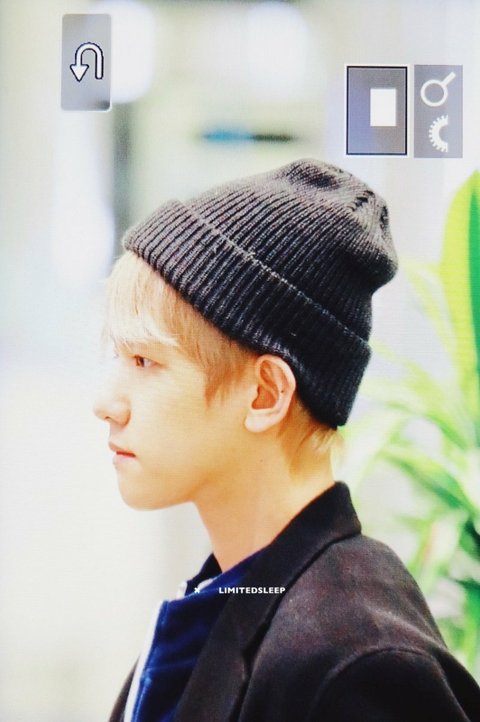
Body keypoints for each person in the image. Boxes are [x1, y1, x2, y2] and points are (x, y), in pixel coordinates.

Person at [93, 159, 480, 722]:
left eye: (144, 361)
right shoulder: (233, 597)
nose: (106, 403)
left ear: (265, 394)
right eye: (119, 355)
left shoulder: (358, 662)